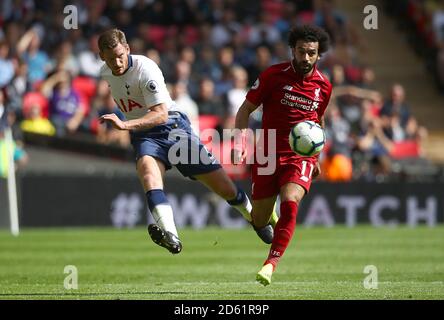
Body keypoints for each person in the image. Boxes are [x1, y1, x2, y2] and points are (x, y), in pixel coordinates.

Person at [97, 29, 274, 254]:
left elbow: (160, 114)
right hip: (145, 134)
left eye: (120, 55)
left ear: (128, 49)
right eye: (111, 58)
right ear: (102, 56)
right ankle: (171, 235)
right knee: (149, 175)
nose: (117, 61)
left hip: (172, 127)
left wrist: (125, 125)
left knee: (225, 188)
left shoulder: (145, 68)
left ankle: (255, 219)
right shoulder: (105, 73)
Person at [233, 25, 332, 285]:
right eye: (302, 52)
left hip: (300, 156)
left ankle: (270, 264)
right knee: (259, 220)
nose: (306, 58)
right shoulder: (272, 76)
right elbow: (244, 110)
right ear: (293, 50)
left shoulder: (324, 86)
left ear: (318, 54)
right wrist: (240, 140)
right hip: (267, 152)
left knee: (290, 201)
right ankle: (267, 217)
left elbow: (317, 122)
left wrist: (317, 158)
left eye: (312, 53)